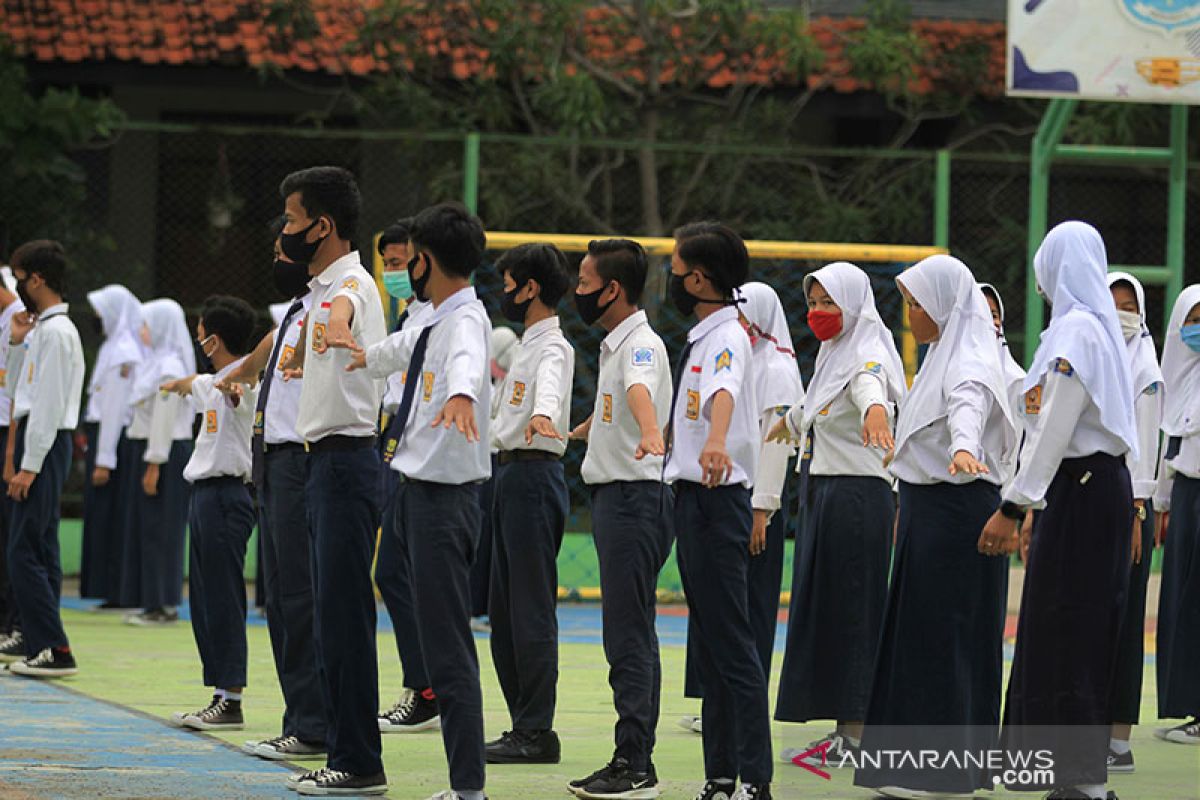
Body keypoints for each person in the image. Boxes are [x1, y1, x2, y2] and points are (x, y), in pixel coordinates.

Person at [984, 221, 1137, 800]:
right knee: (1066, 625)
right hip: (1083, 490)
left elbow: (1054, 429)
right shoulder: (1083, 331)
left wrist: (1014, 504)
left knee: (1073, 625)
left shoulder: (1077, 333)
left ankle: (1082, 784)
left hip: (1084, 488)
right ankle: (1067, 777)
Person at [856, 254, 1017, 797]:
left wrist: (966, 449)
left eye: (918, 304)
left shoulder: (967, 360)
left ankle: (941, 773)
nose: (910, 315)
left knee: (945, 638)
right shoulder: (938, 356)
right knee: (920, 636)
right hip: (931, 511)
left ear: (946, 306)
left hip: (956, 510)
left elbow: (966, 407)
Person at [349, 201, 491, 800]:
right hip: (415, 491)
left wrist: (461, 396)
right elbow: (400, 348)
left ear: (427, 260)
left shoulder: (465, 322)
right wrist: (354, 353)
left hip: (442, 500)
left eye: (411, 261)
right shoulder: (433, 317)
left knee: (448, 644)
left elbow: (468, 362)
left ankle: (468, 789)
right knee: (420, 614)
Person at [277, 166, 388, 797]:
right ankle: (344, 748)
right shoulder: (322, 287)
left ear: (323, 225)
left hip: (347, 462)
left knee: (344, 615)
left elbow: (347, 307)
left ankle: (359, 761)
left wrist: (342, 324)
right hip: (324, 464)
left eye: (293, 219)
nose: (286, 231)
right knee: (328, 612)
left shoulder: (348, 284)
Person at [770, 262, 905, 766]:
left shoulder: (867, 350)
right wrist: (786, 422)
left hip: (855, 497)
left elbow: (871, 387)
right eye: (814, 302)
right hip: (825, 492)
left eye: (830, 303)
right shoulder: (833, 351)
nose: (819, 313)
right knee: (830, 612)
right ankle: (844, 728)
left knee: (854, 612)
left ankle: (858, 731)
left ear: (852, 303)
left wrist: (875, 411)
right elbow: (816, 408)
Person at [665, 221, 772, 800]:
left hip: (715, 500)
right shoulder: (703, 335)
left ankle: (754, 778)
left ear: (699, 278)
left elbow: (724, 392)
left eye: (678, 271)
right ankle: (720, 775)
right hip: (694, 497)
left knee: (732, 643)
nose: (673, 281)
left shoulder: (726, 337)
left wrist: (715, 441)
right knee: (712, 641)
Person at [567, 237, 674, 799]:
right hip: (621, 499)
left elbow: (640, 391)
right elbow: (622, 401)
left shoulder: (637, 347)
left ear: (613, 290)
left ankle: (635, 763)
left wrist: (651, 429)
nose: (578, 292)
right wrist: (591, 427)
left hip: (633, 501)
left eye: (585, 283)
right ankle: (630, 755)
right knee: (627, 631)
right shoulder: (617, 343)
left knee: (629, 634)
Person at [679, 282, 804, 736]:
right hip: (734, 501)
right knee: (724, 607)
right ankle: (721, 702)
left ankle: (741, 707)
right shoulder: (742, 363)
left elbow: (776, 447)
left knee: (749, 609)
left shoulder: (776, 371)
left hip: (754, 508)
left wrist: (761, 510)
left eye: (746, 316)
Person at [223, 236, 329, 762]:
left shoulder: (328, 304)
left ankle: (313, 723)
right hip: (275, 460)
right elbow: (258, 358)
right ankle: (301, 719)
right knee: (284, 599)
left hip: (300, 459)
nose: (276, 262)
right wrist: (234, 377)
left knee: (299, 598)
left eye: (283, 249)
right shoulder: (295, 311)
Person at [485, 242, 574, 765]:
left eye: (509, 282)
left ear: (530, 287)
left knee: (530, 609)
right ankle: (524, 723)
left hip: (534, 473)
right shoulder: (523, 344)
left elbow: (551, 387)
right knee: (504, 611)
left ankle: (536, 730)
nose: (505, 293)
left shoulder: (551, 347)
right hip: (510, 474)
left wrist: (544, 416)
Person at [161, 296, 258, 730]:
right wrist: (171, 385)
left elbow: (239, 396)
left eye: (201, 333)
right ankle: (219, 690)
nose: (198, 339)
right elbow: (193, 383)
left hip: (227, 496)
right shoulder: (211, 379)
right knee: (202, 598)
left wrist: (236, 391)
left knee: (222, 596)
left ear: (213, 339)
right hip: (203, 495)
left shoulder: (244, 384)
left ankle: (231, 697)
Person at [0, 241, 85, 678]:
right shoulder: (42, 331)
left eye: (19, 276)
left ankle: (55, 647)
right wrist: (16, 344)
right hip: (44, 442)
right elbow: (20, 391)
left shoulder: (56, 332)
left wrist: (28, 465)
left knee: (24, 548)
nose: (16, 286)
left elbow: (46, 405)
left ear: (36, 279)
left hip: (46, 444)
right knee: (40, 546)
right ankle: (41, 640)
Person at [373, 219, 441, 736]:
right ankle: (422, 684)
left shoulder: (437, 317)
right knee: (394, 571)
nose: (394, 273)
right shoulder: (405, 316)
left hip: (418, 444)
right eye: (389, 264)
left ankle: (427, 688)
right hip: (391, 439)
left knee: (401, 572)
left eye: (401, 263)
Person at [1105, 272, 1164, 770]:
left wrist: (1137, 514)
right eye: (1113, 304)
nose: (1122, 314)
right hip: (1093, 507)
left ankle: (1117, 740)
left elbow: (1144, 454)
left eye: (1130, 306)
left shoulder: (1145, 370)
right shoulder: (1093, 360)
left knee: (1122, 624)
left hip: (1128, 511)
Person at [123, 299, 196, 626]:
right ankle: (152, 600)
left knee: (163, 530)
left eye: (147, 326)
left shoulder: (170, 368)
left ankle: (163, 604)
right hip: (155, 452)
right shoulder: (155, 363)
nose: (142, 332)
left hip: (164, 454)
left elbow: (164, 422)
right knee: (151, 528)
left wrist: (154, 463)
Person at [1150, 283, 1200, 747]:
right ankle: (1191, 706)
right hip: (1185, 496)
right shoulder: (1178, 379)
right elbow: (1172, 445)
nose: (1198, 329)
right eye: (1193, 319)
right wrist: (1163, 505)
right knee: (1183, 602)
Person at [81, 284, 144, 610]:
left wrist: (104, 458)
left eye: (100, 312)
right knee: (105, 517)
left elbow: (115, 410)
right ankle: (108, 588)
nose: (96, 318)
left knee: (114, 517)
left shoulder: (124, 352)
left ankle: (118, 590)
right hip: (103, 438)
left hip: (113, 442)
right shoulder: (112, 347)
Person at [0, 265, 26, 656]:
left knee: (15, 535)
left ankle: (16, 623)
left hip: (11, 430)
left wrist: (10, 451)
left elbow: (19, 391)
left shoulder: (19, 319)